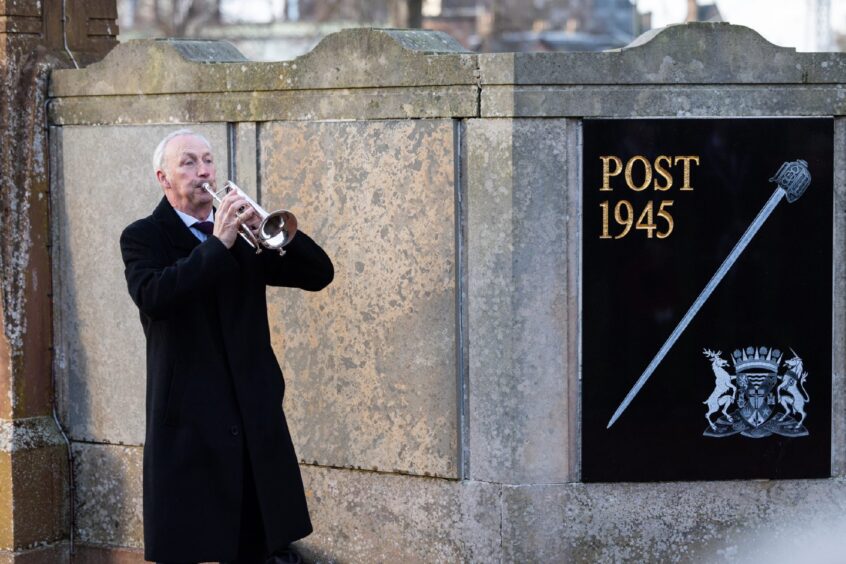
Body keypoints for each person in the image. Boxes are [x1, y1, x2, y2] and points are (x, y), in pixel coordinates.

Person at [120, 129, 333, 564]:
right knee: (196, 544)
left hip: (253, 413)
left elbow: (319, 275)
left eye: (209, 161)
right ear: (163, 178)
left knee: (265, 544)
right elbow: (156, 297)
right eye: (189, 163)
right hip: (190, 421)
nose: (204, 172)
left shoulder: (244, 236)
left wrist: (269, 231)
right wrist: (217, 245)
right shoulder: (143, 236)